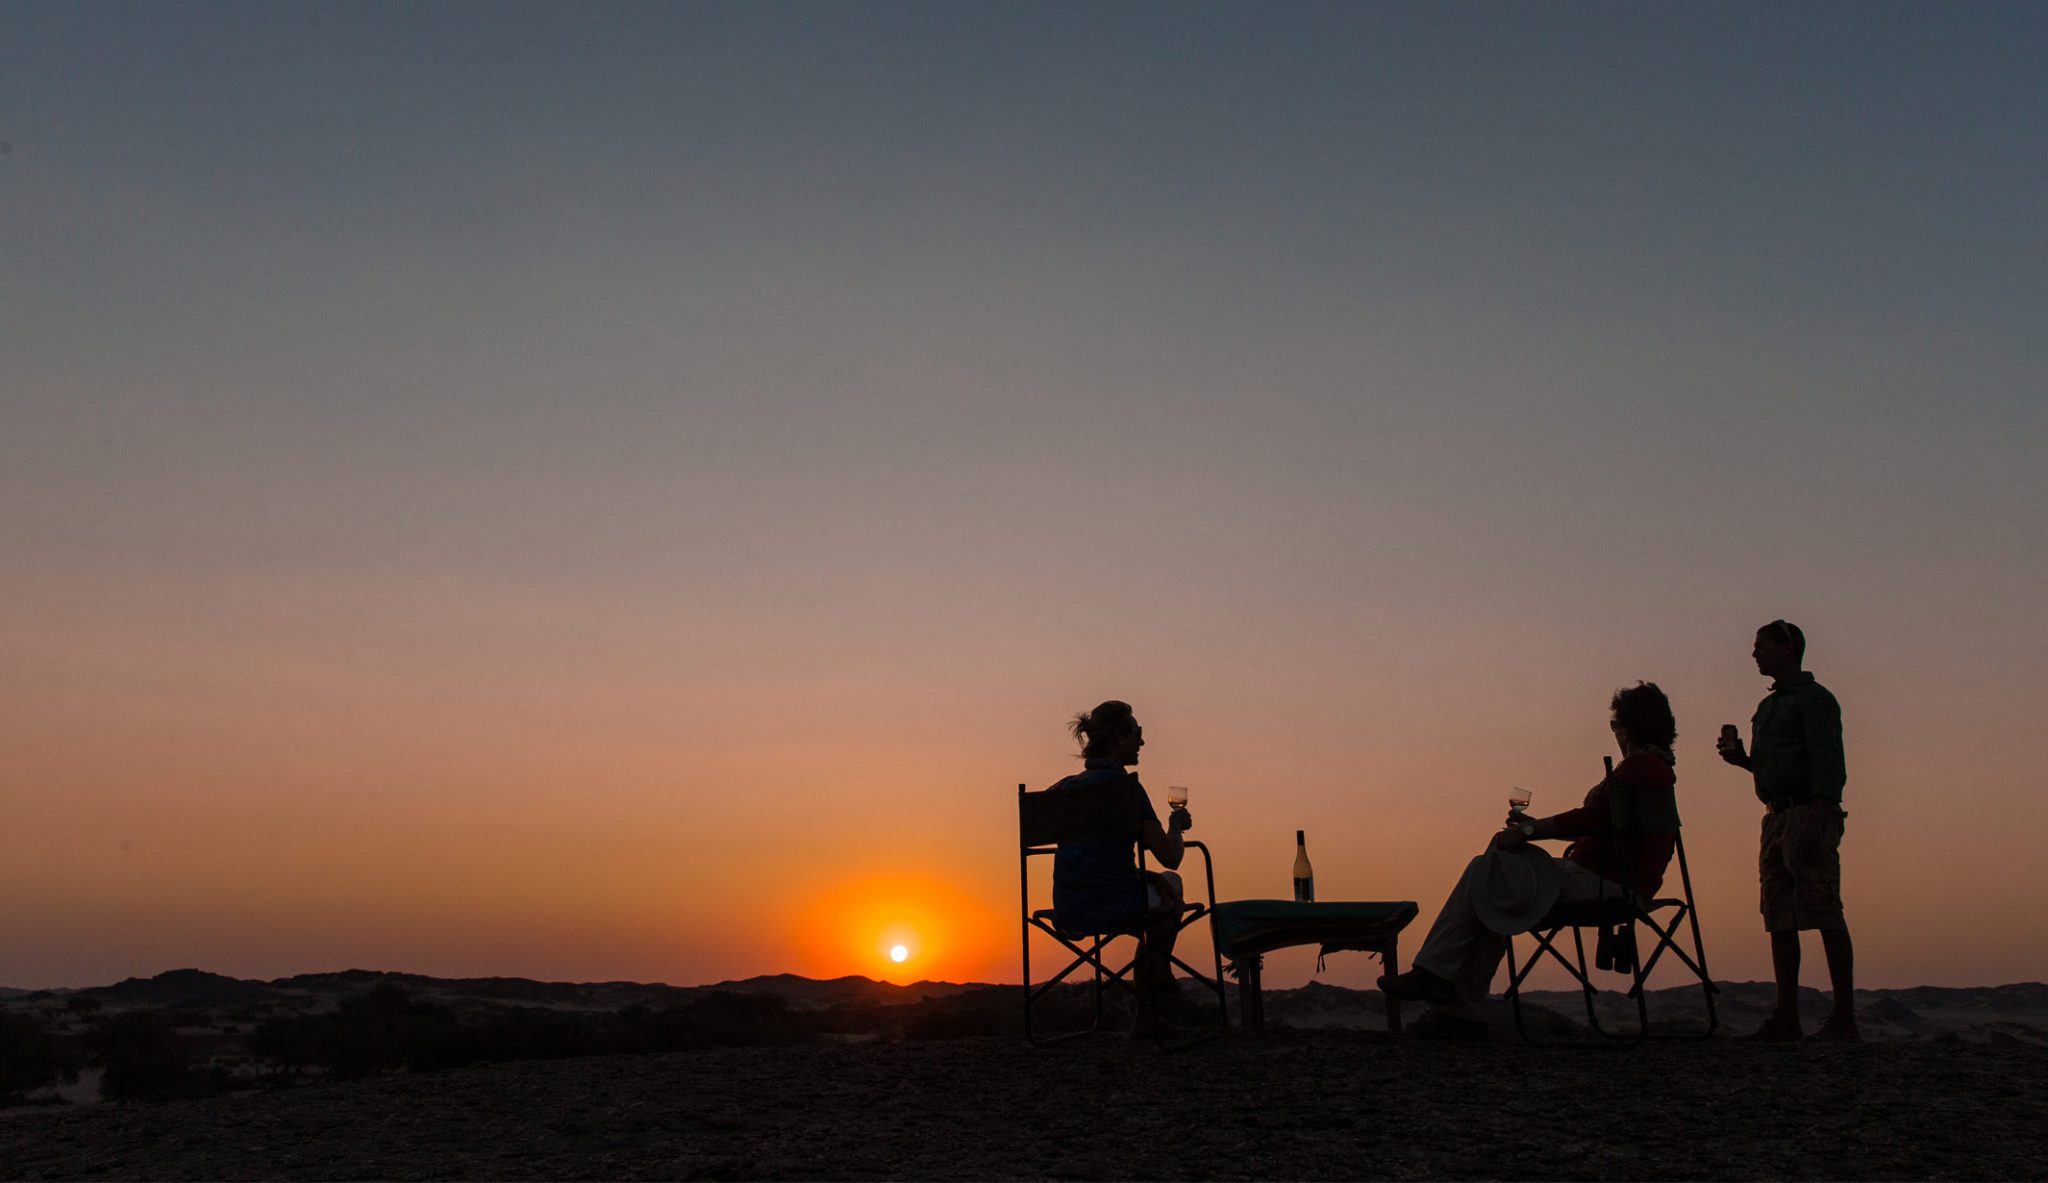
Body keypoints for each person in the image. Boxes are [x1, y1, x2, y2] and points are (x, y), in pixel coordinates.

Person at [1379, 683, 1681, 1039]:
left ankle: (1440, 981)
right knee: (1493, 886)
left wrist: (1527, 831)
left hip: (1603, 884)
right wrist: (1531, 829)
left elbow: (1593, 820)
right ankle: (1459, 1009)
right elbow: (1605, 827)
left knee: (1486, 870)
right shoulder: (1653, 769)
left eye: (1615, 726)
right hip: (1602, 877)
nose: (1614, 733)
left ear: (1626, 726)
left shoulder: (1640, 768)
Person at [1716, 619, 1857, 1042]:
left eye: (1761, 646)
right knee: (1778, 915)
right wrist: (1742, 759)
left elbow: (1829, 766)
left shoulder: (1815, 700)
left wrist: (1816, 820)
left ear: (1787, 648)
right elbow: (1771, 765)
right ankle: (1786, 1016)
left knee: (1824, 908)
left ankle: (1844, 1017)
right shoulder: (1768, 707)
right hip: (1774, 816)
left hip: (1806, 814)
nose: (1754, 654)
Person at [1045, 700, 1193, 1015]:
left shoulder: (1063, 791)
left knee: (1160, 893)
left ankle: (1156, 985)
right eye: (1137, 732)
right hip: (1118, 903)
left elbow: (1098, 860)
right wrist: (1175, 826)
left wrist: (1147, 877)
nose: (1142, 740)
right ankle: (1149, 1009)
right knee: (1173, 886)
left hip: (1071, 907)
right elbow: (1170, 856)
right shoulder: (1125, 791)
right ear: (1117, 738)